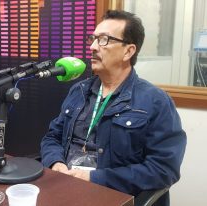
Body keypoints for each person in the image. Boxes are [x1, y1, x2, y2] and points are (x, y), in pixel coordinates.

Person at [40, 10, 186, 205]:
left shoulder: (156, 101)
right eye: (92, 39)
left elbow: (164, 169)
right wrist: (55, 163)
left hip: (112, 196)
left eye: (104, 40)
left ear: (128, 51)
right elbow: (52, 137)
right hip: (66, 187)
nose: (92, 47)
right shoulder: (79, 91)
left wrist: (95, 178)